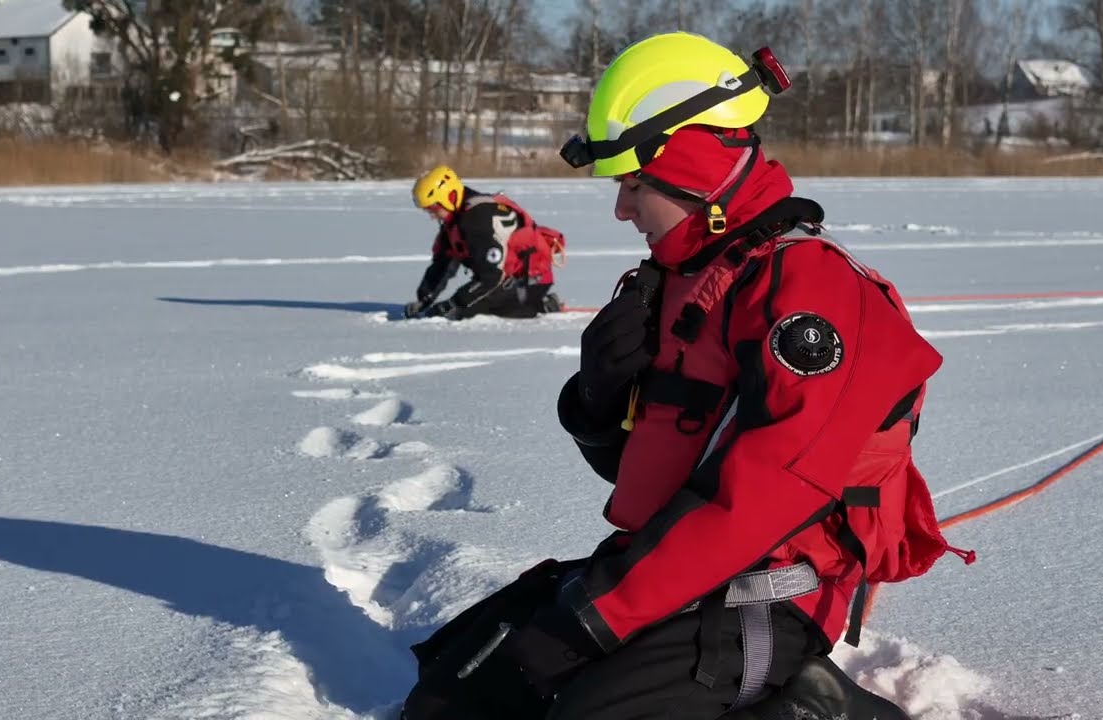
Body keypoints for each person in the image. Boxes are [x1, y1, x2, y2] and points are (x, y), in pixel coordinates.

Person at [400, 32, 973, 720]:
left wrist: (594, 616)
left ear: (693, 169)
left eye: (632, 185)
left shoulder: (808, 291)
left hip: (767, 589)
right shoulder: (687, 281)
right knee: (447, 696)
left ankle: (810, 704)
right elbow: (657, 470)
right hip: (673, 570)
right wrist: (597, 403)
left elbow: (763, 498)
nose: (621, 209)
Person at [405, 164, 567, 320]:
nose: (431, 216)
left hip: (530, 278)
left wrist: (454, 303)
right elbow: (443, 263)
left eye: (433, 209)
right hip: (501, 276)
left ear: (449, 197)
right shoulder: (454, 221)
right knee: (459, 307)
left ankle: (542, 304)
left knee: (467, 313)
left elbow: (491, 276)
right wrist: (424, 299)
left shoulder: (476, 219)